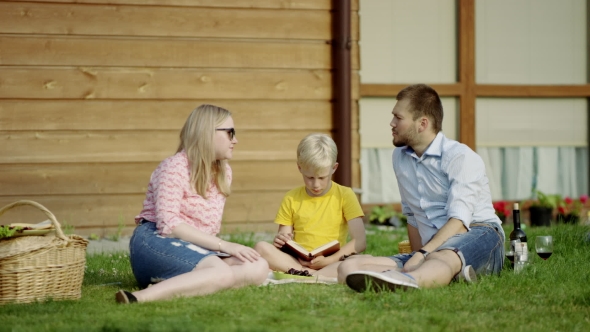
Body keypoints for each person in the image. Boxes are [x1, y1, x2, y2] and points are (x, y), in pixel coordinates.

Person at [339, 84, 505, 292]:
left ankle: (410, 279)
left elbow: (460, 222)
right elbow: (412, 216)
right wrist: (417, 256)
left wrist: (422, 255)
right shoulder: (400, 157)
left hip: (480, 233)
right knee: (350, 266)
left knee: (440, 258)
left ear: (422, 124)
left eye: (398, 118)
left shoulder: (460, 157)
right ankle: (431, 275)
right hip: (431, 248)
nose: (391, 123)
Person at [115, 104, 269, 303]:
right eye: (230, 133)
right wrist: (226, 246)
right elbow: (169, 226)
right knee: (222, 272)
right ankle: (138, 297)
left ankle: (191, 283)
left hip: (195, 248)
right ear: (207, 133)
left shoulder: (224, 172)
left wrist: (220, 251)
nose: (235, 140)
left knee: (258, 267)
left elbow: (208, 230)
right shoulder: (174, 167)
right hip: (154, 241)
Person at [254, 133, 366, 279]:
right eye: (310, 177)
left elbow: (360, 241)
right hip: (298, 261)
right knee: (261, 247)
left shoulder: (345, 194)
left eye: (322, 177)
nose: (316, 184)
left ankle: (307, 274)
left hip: (333, 260)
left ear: (334, 168)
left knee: (356, 262)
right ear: (299, 168)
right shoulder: (291, 198)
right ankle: (312, 274)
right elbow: (285, 238)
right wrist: (281, 241)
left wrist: (328, 261)